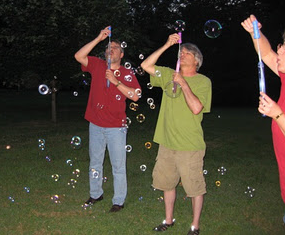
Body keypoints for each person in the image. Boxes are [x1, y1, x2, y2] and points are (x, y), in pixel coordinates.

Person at [241, 15, 285, 235]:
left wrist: (277, 114)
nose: (280, 50)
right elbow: (267, 53)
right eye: (283, 45)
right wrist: (255, 33)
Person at [141, 34, 211, 234]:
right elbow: (146, 65)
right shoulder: (169, 74)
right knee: (167, 183)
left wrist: (183, 83)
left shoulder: (204, 81)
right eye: (181, 52)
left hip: (190, 145)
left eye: (188, 53)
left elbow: (197, 108)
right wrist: (167, 44)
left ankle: (195, 226)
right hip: (166, 143)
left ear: (196, 61)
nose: (183, 54)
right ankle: (168, 220)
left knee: (195, 188)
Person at [74, 26, 141, 213]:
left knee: (118, 165)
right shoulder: (97, 65)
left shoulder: (127, 74)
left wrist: (116, 81)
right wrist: (98, 38)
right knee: (95, 162)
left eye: (114, 48)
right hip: (95, 124)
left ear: (122, 53)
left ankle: (118, 200)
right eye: (107, 47)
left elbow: (135, 96)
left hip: (116, 127)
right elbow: (79, 56)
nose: (110, 50)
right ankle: (96, 194)